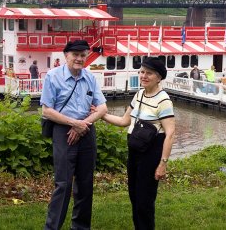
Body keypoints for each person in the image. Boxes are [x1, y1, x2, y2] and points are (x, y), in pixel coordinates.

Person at [41, 40, 108, 230]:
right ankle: (52, 227)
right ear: (66, 56)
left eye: (83, 55)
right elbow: (47, 111)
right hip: (63, 130)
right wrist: (74, 123)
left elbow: (102, 107)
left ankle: (80, 227)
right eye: (75, 55)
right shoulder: (53, 77)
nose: (79, 59)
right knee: (63, 184)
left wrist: (83, 124)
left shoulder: (89, 77)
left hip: (86, 130)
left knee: (86, 183)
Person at [102, 57, 175, 229]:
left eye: (149, 73)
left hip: (151, 153)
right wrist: (101, 115)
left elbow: (170, 133)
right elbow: (124, 121)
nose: (143, 76)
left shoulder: (163, 100)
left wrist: (162, 164)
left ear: (159, 77)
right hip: (135, 151)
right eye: (142, 72)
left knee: (145, 200)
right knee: (134, 196)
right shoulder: (139, 94)